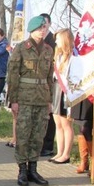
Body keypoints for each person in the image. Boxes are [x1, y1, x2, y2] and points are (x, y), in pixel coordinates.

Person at [7, 15, 53, 186]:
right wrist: (13, 99)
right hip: (25, 97)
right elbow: (12, 75)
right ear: (32, 30)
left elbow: (49, 77)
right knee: (24, 134)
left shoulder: (48, 50)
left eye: (45, 28)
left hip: (42, 98)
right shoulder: (21, 48)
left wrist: (49, 100)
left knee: (38, 135)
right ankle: (22, 171)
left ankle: (33, 169)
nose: (43, 31)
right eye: (40, 28)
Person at [49, 29, 74, 164]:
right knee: (57, 123)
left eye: (58, 38)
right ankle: (59, 151)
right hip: (56, 89)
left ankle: (66, 154)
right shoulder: (57, 56)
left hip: (66, 91)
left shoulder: (73, 57)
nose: (56, 41)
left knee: (65, 124)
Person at [39, 13, 57, 157]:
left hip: (51, 83)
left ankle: (48, 145)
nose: (42, 27)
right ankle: (41, 143)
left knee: (50, 116)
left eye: (45, 24)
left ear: (49, 24)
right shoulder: (37, 41)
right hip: (38, 84)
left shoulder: (54, 41)